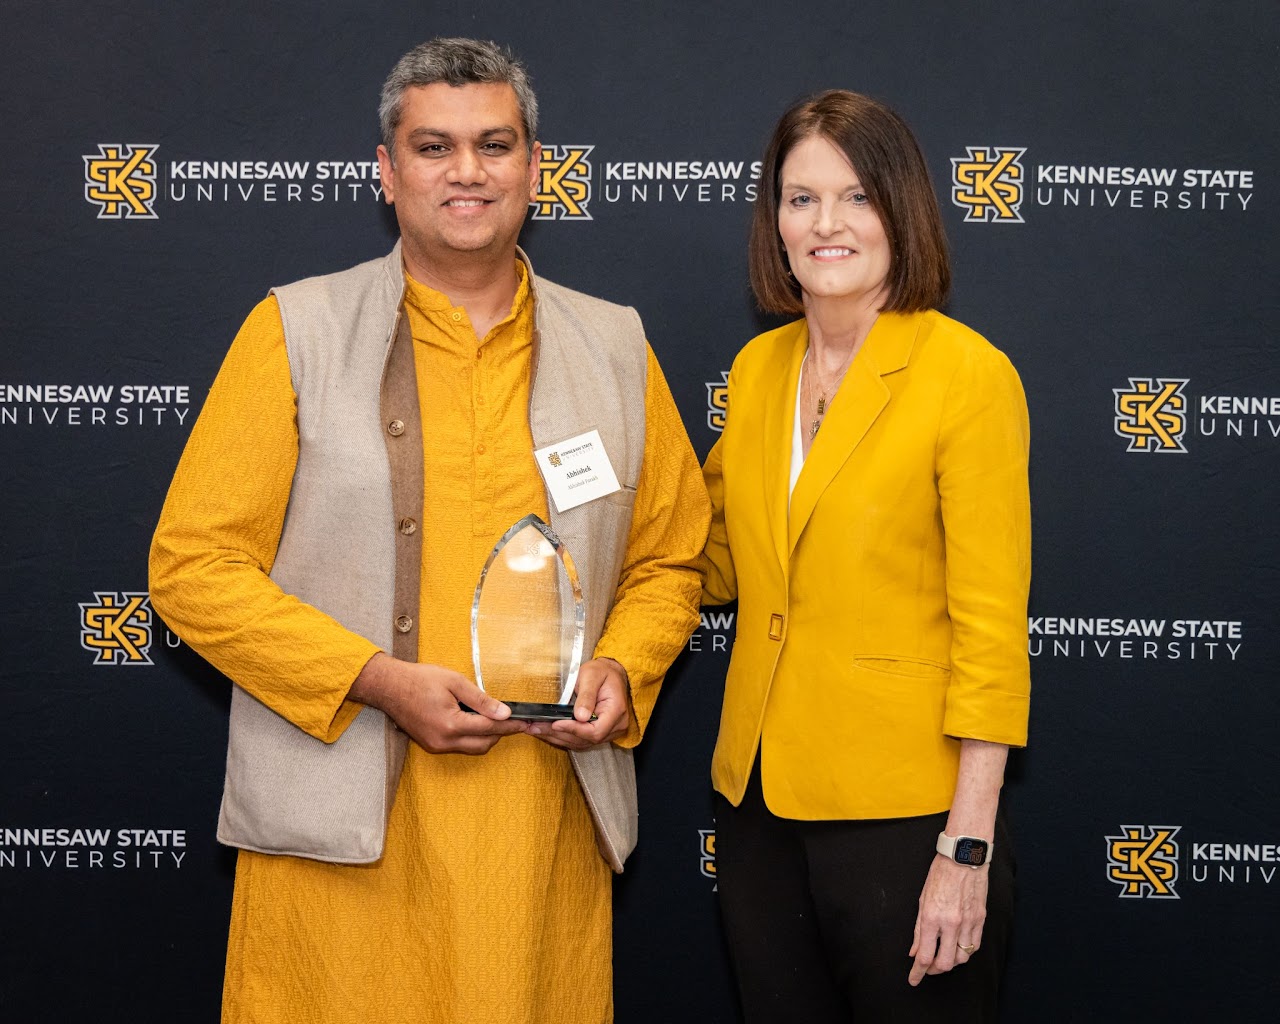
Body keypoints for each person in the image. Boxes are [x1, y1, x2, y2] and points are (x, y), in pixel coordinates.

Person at [149, 37, 709, 1024]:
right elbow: (193, 568)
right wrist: (378, 680)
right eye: (433, 146)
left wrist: (624, 662)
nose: (466, 172)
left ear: (536, 167)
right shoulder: (295, 330)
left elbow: (670, 554)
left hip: (535, 833)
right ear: (386, 169)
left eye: (493, 145)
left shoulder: (612, 344)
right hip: (340, 835)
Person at [701, 90, 1031, 1022]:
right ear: (775, 221)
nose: (826, 225)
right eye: (800, 199)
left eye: (855, 197)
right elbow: (711, 560)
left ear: (902, 210)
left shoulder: (967, 374)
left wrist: (965, 848)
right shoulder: (760, 371)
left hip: (907, 817)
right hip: (758, 807)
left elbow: (992, 629)